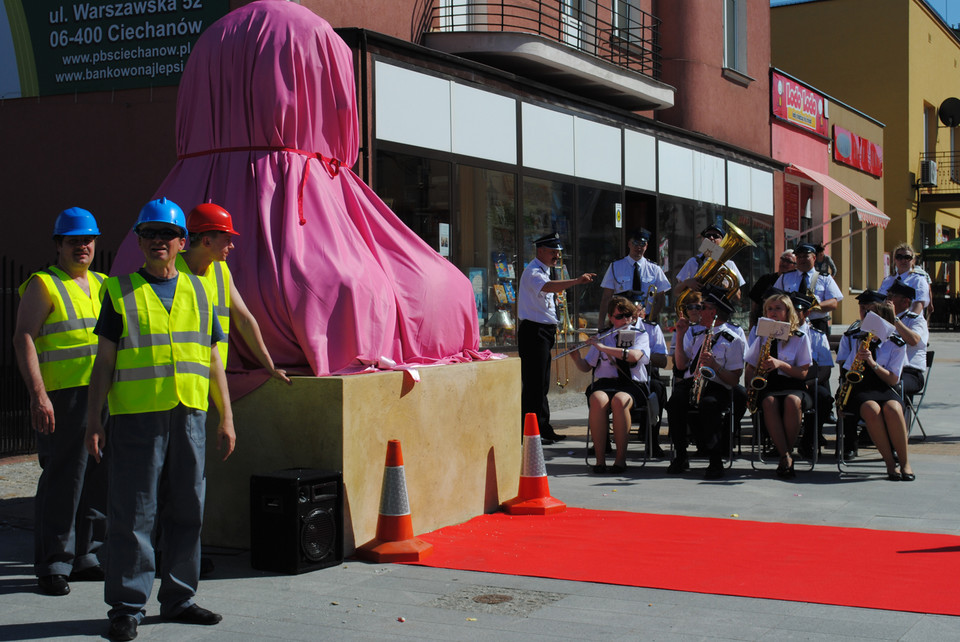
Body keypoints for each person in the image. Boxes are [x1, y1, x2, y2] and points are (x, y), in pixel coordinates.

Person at [84, 198, 235, 642]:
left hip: (189, 413)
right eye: (149, 234)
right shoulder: (119, 291)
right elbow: (103, 364)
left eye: (166, 234)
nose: (157, 241)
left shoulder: (201, 292)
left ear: (181, 241)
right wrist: (94, 419)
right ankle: (127, 606)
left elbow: (212, 361)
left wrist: (227, 417)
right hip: (136, 417)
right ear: (139, 241)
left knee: (188, 506)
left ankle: (179, 598)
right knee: (133, 513)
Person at [12, 207, 108, 597]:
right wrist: (38, 395)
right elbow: (23, 338)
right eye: (73, 241)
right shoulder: (43, 284)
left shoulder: (103, 284)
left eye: (87, 240)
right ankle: (54, 562)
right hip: (62, 398)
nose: (82, 246)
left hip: (100, 395)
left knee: (96, 476)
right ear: (59, 245)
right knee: (62, 480)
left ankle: (85, 555)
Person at [179, 203, 290, 384]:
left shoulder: (221, 270)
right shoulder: (169, 271)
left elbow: (244, 319)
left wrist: (270, 366)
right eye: (227, 239)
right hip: (178, 377)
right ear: (207, 241)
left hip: (211, 374)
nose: (232, 246)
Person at [518, 232, 595, 444]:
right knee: (534, 384)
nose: (556, 256)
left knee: (542, 383)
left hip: (544, 330)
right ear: (540, 250)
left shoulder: (546, 270)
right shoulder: (534, 271)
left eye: (558, 253)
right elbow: (547, 287)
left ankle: (542, 427)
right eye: (553, 252)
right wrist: (577, 281)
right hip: (534, 331)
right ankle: (531, 432)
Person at [667, 287, 747, 479]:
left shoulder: (733, 339)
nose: (698, 310)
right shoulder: (693, 332)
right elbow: (680, 364)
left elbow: (735, 379)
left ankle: (715, 459)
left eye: (703, 307)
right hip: (691, 381)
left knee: (709, 405)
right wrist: (679, 334)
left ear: (714, 312)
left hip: (717, 384)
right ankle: (680, 455)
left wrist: (715, 366)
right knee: (675, 403)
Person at [835, 291, 913, 481]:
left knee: (894, 409)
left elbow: (893, 380)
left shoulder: (895, 342)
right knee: (871, 409)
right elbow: (846, 370)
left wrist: (873, 363)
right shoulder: (855, 336)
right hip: (859, 388)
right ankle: (889, 463)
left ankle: (905, 463)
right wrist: (859, 357)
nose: (864, 314)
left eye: (870, 311)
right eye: (862, 310)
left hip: (884, 385)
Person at [569, 296, 650, 474]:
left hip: (631, 384)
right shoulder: (603, 335)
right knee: (597, 399)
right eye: (619, 317)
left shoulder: (639, 334)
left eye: (628, 315)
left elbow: (633, 357)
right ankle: (600, 460)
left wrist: (602, 347)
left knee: (620, 401)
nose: (625, 320)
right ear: (611, 318)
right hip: (606, 383)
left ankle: (620, 460)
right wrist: (576, 358)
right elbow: (586, 367)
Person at [744, 293, 812, 479]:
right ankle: (786, 456)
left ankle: (785, 454)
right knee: (769, 403)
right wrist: (749, 385)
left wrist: (780, 364)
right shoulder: (762, 336)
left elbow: (804, 372)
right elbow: (750, 365)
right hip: (769, 384)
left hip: (793, 382)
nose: (773, 312)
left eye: (778, 308)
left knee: (792, 401)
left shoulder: (800, 336)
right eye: (770, 309)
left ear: (787, 311)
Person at [792, 293, 835, 460]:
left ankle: (809, 440)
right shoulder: (780, 334)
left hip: (809, 382)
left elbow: (825, 370)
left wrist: (809, 382)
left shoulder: (817, 336)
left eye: (797, 311)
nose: (793, 314)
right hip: (786, 381)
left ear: (806, 313)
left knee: (824, 399)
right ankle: (777, 442)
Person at [882, 280, 928, 432]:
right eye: (888, 294)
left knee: (896, 385)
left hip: (910, 373)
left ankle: (897, 433)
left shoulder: (916, 320)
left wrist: (895, 319)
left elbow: (914, 340)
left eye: (892, 295)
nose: (888, 298)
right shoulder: (883, 319)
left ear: (905, 301)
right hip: (887, 369)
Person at [598, 229, 670, 325]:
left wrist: (649, 319)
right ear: (629, 244)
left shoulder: (655, 269)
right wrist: (601, 323)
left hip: (645, 319)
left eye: (642, 244)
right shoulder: (615, 266)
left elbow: (661, 299)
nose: (638, 247)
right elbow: (606, 297)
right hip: (621, 320)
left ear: (646, 246)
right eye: (635, 243)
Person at [773, 243, 842, 335]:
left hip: (816, 324)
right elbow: (773, 298)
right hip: (790, 323)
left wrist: (811, 307)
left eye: (805, 256)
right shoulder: (785, 278)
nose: (802, 259)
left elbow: (833, 303)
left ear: (814, 258)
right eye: (799, 257)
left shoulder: (825, 278)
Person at [675, 224, 745, 301]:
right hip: (697, 309)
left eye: (716, 236)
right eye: (708, 235)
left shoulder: (729, 264)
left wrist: (725, 286)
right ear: (703, 240)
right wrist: (686, 283)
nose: (711, 238)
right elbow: (676, 292)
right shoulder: (693, 261)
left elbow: (738, 297)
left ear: (723, 241)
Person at [749, 250, 797, 328]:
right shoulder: (765, 279)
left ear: (795, 266)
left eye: (788, 261)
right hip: (763, 324)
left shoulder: (795, 284)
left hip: (785, 327)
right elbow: (754, 305)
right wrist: (752, 324)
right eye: (783, 259)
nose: (784, 263)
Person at [878, 243, 930, 315]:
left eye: (907, 257)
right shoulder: (887, 281)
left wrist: (906, 322)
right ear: (895, 260)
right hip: (888, 322)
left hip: (908, 324)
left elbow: (919, 304)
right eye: (899, 257)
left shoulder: (918, 280)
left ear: (913, 260)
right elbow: (879, 303)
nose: (903, 260)